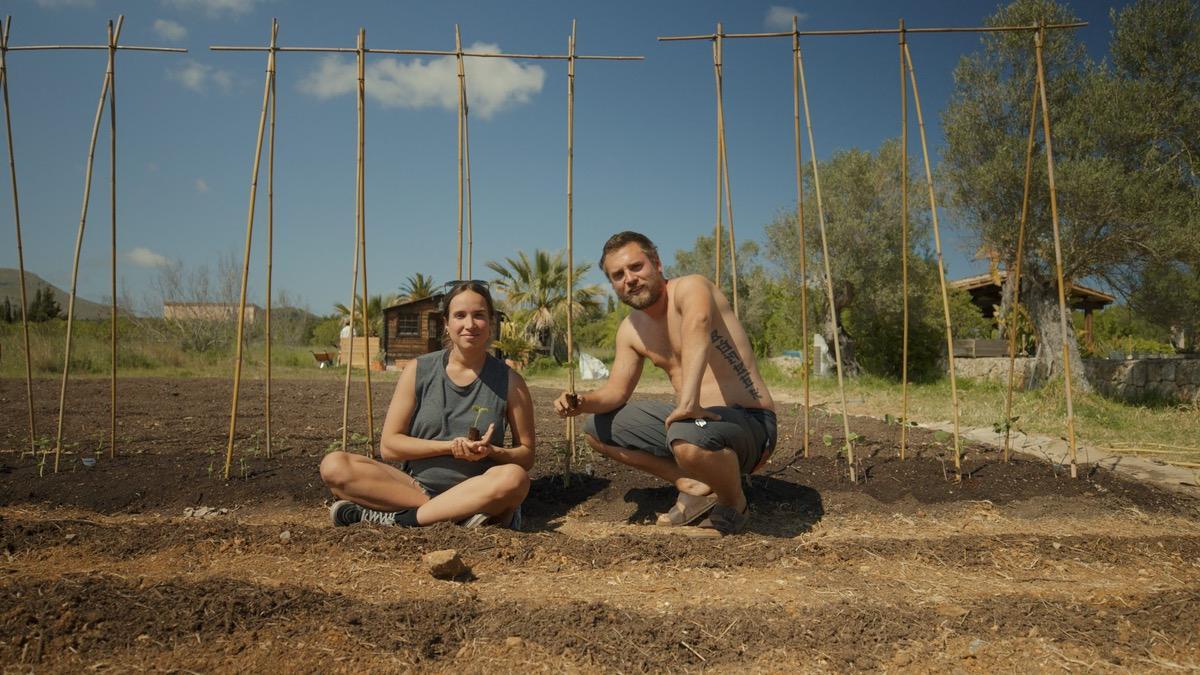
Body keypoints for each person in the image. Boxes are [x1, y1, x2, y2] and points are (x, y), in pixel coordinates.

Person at [555, 231, 775, 535]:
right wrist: (580, 402)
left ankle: (733, 504)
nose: (629, 279)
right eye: (618, 275)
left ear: (656, 263)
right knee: (596, 430)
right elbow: (616, 393)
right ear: (613, 285)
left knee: (687, 435)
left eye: (636, 267)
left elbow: (698, 324)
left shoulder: (691, 287)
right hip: (695, 426)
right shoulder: (631, 330)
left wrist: (689, 402)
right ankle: (692, 484)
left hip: (749, 422)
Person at [321, 281, 535, 529]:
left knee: (515, 478)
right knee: (334, 465)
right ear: (446, 323)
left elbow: (526, 455)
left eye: (479, 315)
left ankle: (404, 520)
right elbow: (390, 446)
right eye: (459, 315)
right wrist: (448, 447)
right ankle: (457, 517)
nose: (469, 324)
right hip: (415, 490)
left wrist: (493, 452)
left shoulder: (510, 381)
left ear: (491, 323)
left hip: (480, 489)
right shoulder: (418, 370)